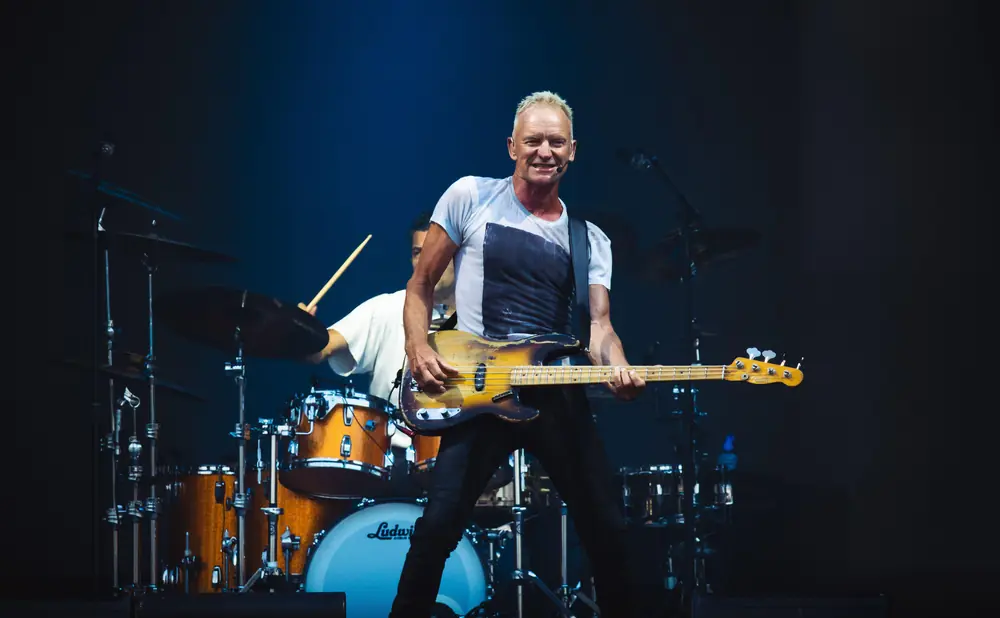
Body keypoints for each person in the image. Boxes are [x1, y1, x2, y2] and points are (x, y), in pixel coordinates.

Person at [390, 91, 646, 617]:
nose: (544, 151)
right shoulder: (469, 197)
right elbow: (420, 286)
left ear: (573, 151)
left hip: (554, 391)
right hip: (481, 390)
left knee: (608, 528)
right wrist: (417, 346)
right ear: (512, 146)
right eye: (533, 140)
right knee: (438, 526)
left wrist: (616, 364)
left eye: (556, 142)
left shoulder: (589, 239)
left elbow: (600, 328)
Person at [298, 212, 456, 468]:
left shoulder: (485, 319)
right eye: (418, 253)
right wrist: (300, 332)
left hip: (466, 458)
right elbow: (319, 350)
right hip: (396, 462)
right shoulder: (386, 308)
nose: (426, 261)